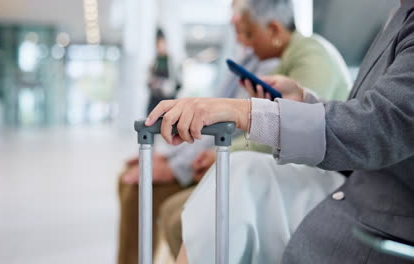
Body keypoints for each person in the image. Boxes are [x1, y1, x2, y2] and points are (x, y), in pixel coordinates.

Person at [147, 0, 414, 263]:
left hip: (382, 209)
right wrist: (303, 101)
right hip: (353, 180)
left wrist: (246, 113)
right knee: (232, 181)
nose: (242, 43)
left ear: (274, 30)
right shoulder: (398, 14)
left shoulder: (311, 55)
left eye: (247, 33)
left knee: (231, 185)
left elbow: (376, 127)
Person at [116, 25, 278, 264]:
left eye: (243, 22)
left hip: (215, 163)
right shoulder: (243, 63)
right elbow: (206, 115)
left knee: (137, 192)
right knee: (127, 180)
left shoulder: (271, 71)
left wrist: (177, 167)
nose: (235, 22)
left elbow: (231, 128)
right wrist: (170, 157)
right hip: (200, 154)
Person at [146, 29, 182, 115]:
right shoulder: (153, 62)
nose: (160, 46)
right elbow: (148, 81)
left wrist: (170, 88)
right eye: (158, 44)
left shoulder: (173, 62)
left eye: (162, 43)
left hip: (169, 98)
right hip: (155, 98)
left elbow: (179, 82)